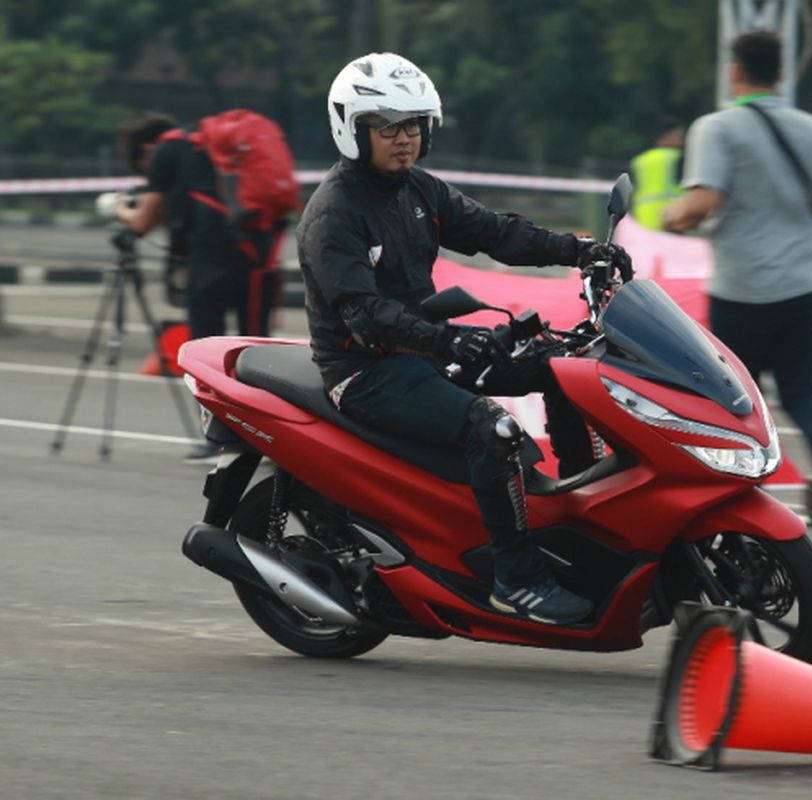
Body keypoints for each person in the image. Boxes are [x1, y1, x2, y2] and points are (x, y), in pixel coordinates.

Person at [297, 52, 633, 625]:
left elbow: (494, 232)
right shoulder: (335, 216)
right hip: (367, 372)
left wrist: (578, 251)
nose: (405, 139)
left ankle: (581, 519)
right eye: (388, 127)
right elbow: (366, 316)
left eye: (414, 126)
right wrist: (447, 343)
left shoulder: (418, 190)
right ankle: (516, 578)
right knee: (491, 427)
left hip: (426, 345)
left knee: (567, 367)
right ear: (353, 130)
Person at [661, 29, 812, 542]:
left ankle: (735, 502)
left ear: (734, 71)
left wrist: (672, 216)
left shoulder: (717, 128)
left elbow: (702, 202)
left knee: (732, 404)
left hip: (743, 289)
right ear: (783, 72)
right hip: (807, 286)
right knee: (802, 393)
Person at [116, 111, 286, 463]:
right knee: (256, 353)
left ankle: (219, 442)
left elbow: (144, 221)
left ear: (147, 148)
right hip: (258, 258)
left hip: (210, 263)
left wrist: (122, 211)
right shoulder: (215, 149)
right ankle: (269, 439)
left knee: (209, 356)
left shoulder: (166, 151)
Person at [629, 117, 685, 230]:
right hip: (670, 220)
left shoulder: (639, 161)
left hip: (642, 221)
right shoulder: (678, 157)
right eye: (679, 135)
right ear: (668, 136)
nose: (682, 140)